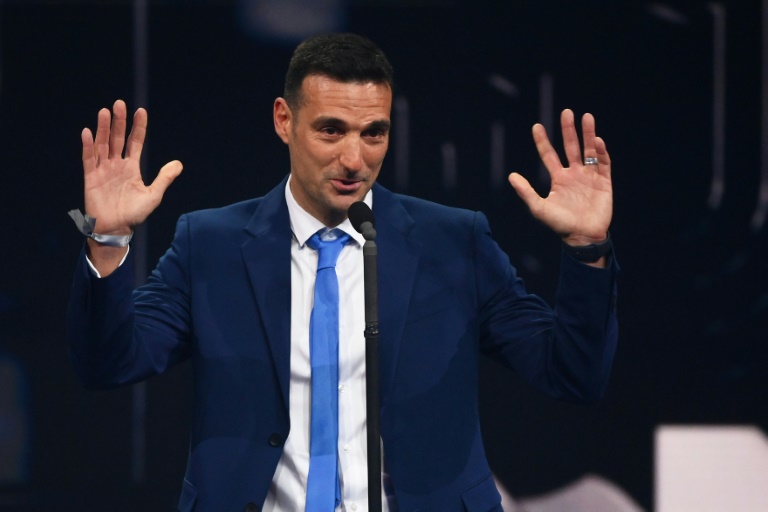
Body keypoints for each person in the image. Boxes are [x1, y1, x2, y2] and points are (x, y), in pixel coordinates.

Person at [67, 33, 618, 512]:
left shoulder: (454, 243)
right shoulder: (210, 245)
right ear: (284, 120)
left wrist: (587, 247)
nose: (355, 159)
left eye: (373, 133)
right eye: (331, 131)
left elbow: (573, 373)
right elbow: (108, 363)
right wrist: (107, 238)